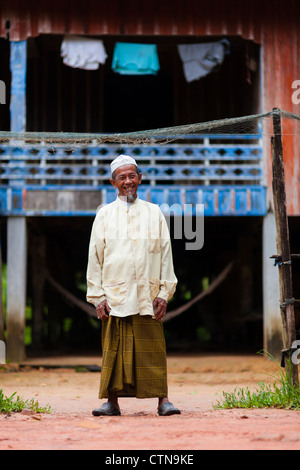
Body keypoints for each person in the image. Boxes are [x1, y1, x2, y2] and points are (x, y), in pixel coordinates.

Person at [86, 154, 180, 416]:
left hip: (147, 295)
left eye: (132, 176)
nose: (128, 181)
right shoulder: (104, 215)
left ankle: (163, 401)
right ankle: (112, 403)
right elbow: (95, 257)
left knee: (153, 350)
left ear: (140, 178)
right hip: (115, 295)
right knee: (114, 351)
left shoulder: (154, 212)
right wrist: (97, 297)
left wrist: (164, 292)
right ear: (113, 182)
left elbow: (164, 254)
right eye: (122, 177)